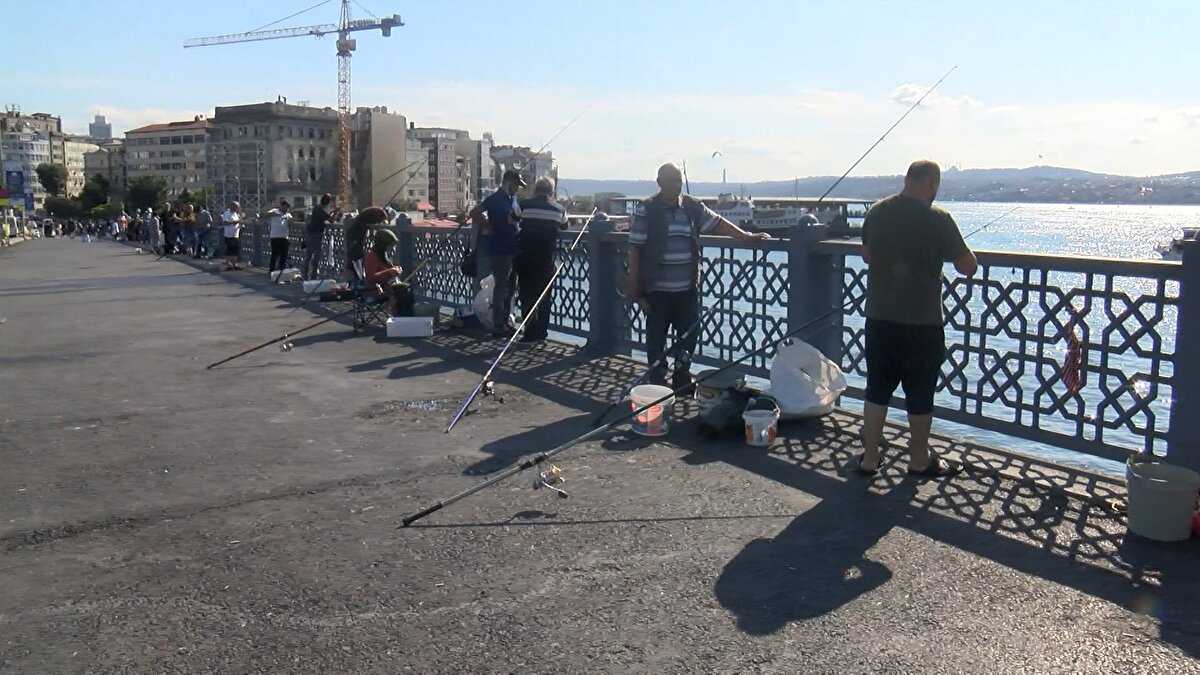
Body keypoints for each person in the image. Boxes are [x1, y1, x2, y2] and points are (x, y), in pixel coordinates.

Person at [856, 160, 977, 479]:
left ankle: (870, 459)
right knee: (920, 392)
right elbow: (967, 266)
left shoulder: (877, 211)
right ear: (932, 184)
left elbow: (867, 255)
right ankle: (919, 459)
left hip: (879, 318)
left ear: (905, 179)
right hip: (922, 323)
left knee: (877, 387)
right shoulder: (939, 218)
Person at [626, 162, 771, 391]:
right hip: (656, 289)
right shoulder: (647, 209)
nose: (676, 185)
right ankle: (657, 378)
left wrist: (745, 236)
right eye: (671, 180)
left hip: (687, 288)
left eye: (678, 180)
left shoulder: (692, 207)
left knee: (689, 334)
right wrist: (634, 286)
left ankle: (681, 376)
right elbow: (635, 248)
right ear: (659, 183)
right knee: (656, 337)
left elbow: (718, 223)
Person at [467, 169, 525, 337]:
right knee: (502, 286)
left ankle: (506, 320)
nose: (517, 188)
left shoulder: (512, 199)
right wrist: (486, 225)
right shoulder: (494, 199)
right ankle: (498, 324)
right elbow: (474, 212)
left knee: (511, 287)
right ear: (508, 182)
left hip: (514, 247)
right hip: (500, 248)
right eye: (516, 185)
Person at [513, 176, 569, 343]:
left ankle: (529, 332)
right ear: (551, 191)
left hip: (524, 256)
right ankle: (542, 332)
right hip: (546, 259)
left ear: (535, 189)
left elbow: (512, 218)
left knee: (527, 294)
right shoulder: (559, 209)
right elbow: (565, 226)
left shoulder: (524, 204)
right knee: (544, 296)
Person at [362, 228, 414, 316]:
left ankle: (404, 316)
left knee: (405, 289)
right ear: (383, 244)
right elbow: (370, 277)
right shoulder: (371, 256)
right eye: (391, 245)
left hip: (387, 287)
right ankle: (403, 317)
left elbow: (386, 271)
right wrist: (390, 271)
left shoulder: (383, 255)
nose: (393, 248)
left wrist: (395, 270)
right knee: (404, 290)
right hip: (376, 290)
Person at [345, 206, 390, 275]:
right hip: (356, 237)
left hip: (355, 237)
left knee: (355, 256)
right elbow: (383, 222)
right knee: (356, 257)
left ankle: (357, 275)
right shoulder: (379, 213)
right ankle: (358, 276)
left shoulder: (370, 213)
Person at [305, 193, 337, 280]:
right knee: (316, 255)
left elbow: (326, 217)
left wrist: (333, 212)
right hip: (315, 234)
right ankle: (313, 275)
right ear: (328, 202)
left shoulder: (317, 208)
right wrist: (336, 212)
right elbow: (330, 219)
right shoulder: (319, 209)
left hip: (310, 233)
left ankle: (306, 274)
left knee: (309, 255)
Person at [267, 199, 293, 282]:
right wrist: (276, 214)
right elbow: (267, 214)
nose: (286, 209)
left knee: (283, 255)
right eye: (285, 207)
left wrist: (288, 216)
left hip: (284, 237)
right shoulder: (275, 211)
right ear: (281, 206)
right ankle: (272, 270)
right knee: (274, 254)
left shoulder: (287, 214)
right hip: (275, 236)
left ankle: (281, 271)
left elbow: (291, 219)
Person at [221, 201, 242, 271]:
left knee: (235, 251)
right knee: (229, 251)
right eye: (236, 207)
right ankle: (228, 265)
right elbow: (224, 222)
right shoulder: (227, 213)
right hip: (229, 235)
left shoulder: (236, 214)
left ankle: (235, 264)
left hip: (235, 235)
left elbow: (238, 222)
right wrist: (233, 222)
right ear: (232, 206)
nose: (237, 208)